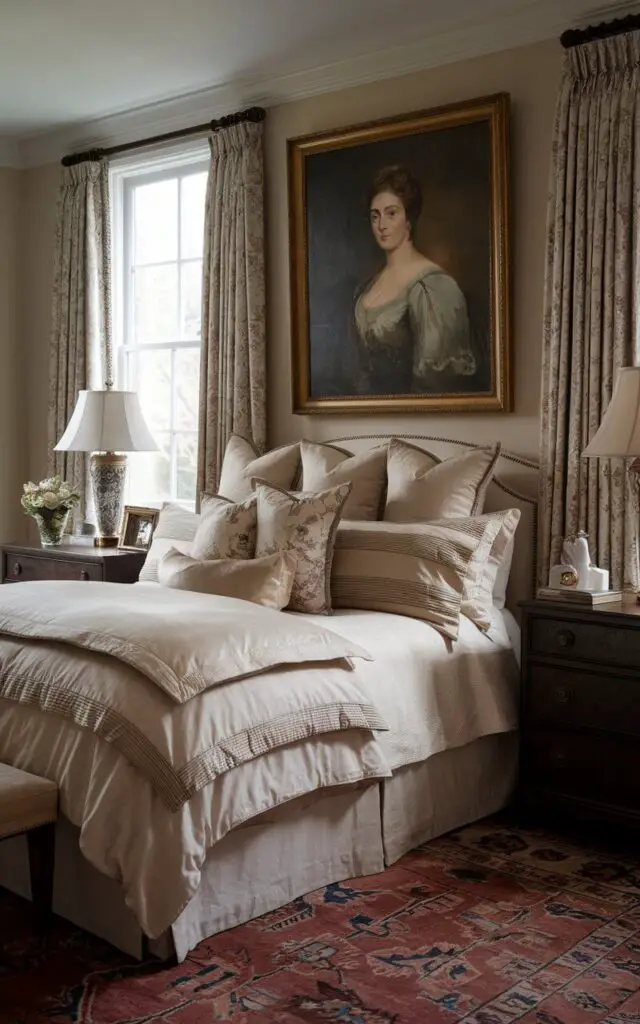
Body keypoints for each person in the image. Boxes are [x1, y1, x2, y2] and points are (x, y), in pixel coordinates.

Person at [354, 164, 475, 395]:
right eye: (375, 216)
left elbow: (437, 383)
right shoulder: (368, 287)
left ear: (408, 218)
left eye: (391, 213)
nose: (381, 225)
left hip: (418, 420)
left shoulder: (433, 286)